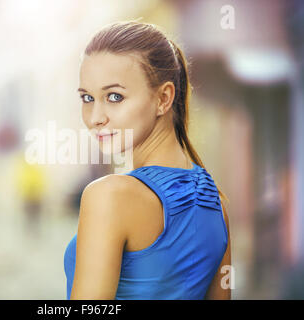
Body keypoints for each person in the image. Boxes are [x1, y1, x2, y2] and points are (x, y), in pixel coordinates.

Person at [63, 21, 231, 300]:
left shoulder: (109, 196)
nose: (95, 117)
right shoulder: (217, 205)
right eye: (87, 98)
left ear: (164, 98)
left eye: (114, 96)